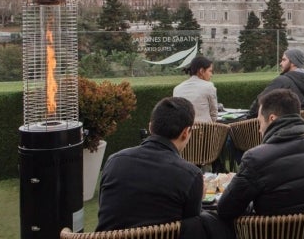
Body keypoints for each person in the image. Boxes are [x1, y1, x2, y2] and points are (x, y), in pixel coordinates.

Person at [97, 97, 233, 239]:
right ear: (186, 132)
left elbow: (105, 207)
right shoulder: (189, 174)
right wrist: (199, 197)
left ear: (150, 127)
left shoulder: (114, 161)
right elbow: (192, 226)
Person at [217, 89, 304, 223]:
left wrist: (250, 204)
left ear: (272, 118)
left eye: (260, 122)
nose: (259, 129)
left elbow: (225, 210)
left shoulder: (256, 158)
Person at [245, 49, 304, 119]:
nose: (281, 63)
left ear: (293, 62)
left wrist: (248, 117)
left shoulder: (283, 81)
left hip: (276, 126)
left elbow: (261, 101)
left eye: (284, 60)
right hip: (297, 126)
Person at [174, 56, 218, 123]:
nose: (211, 75)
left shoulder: (177, 89)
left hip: (182, 130)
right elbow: (214, 113)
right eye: (210, 71)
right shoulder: (209, 86)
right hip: (205, 130)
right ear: (201, 71)